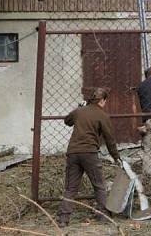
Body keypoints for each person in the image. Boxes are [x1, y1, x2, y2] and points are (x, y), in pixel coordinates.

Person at [56, 87, 121, 228]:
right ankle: (104, 215)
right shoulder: (102, 115)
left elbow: (67, 121)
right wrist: (116, 157)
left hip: (73, 152)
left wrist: (78, 108)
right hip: (89, 153)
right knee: (99, 185)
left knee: (71, 188)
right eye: (105, 100)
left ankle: (63, 218)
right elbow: (110, 139)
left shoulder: (79, 111)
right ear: (103, 100)